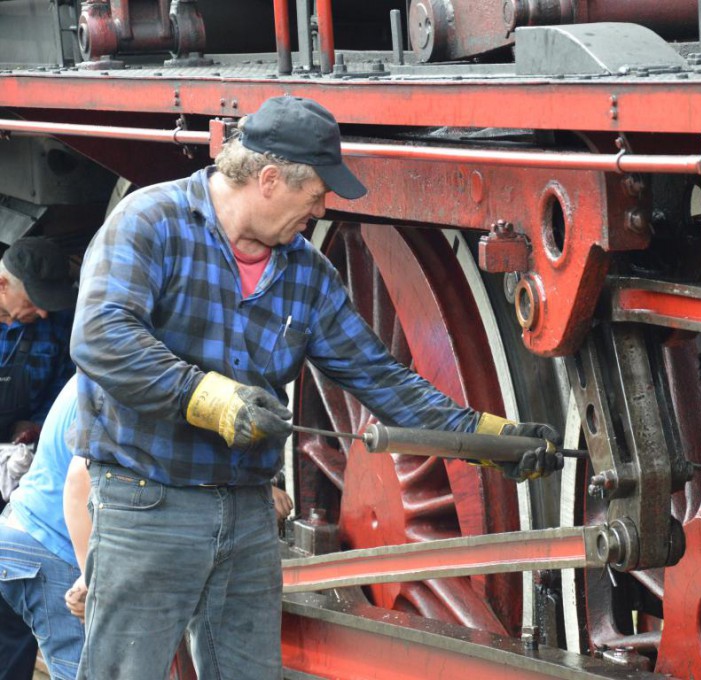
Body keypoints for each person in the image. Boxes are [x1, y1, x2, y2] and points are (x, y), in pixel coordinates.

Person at [70, 94, 561, 680]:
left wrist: (488, 440)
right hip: (148, 500)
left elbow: (381, 378)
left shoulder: (305, 272)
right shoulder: (149, 222)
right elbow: (101, 336)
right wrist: (209, 398)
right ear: (270, 179)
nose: (321, 209)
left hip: (248, 513)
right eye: (316, 195)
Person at [0, 237, 76, 680]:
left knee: (12, 605)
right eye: (35, 302)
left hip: (19, 474)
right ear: (3, 284)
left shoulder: (54, 325)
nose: (44, 312)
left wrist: (34, 424)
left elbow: (64, 387)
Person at [0, 376, 82, 680]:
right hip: (47, 541)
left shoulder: (85, 374)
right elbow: (80, 480)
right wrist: (89, 574)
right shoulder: (108, 382)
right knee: (79, 671)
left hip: (16, 527)